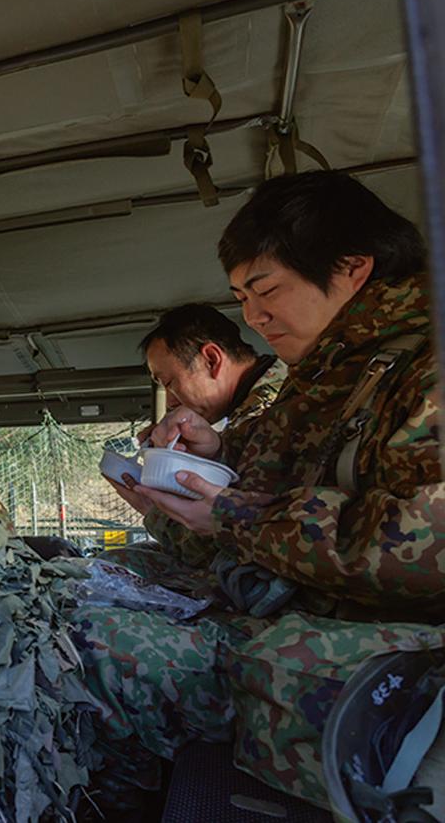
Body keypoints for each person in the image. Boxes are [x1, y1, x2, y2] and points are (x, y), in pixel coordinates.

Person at [77, 171, 445, 809]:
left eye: (265, 289)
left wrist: (232, 513)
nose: (252, 316)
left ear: (354, 269)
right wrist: (218, 452)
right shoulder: (328, 370)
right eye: (241, 296)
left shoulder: (426, 366)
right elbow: (286, 466)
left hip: (376, 645)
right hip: (289, 605)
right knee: (86, 602)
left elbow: (425, 546)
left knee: (99, 652)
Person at [105, 304, 286, 576]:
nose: (170, 401)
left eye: (170, 382)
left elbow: (223, 551)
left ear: (212, 360)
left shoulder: (272, 414)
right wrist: (213, 455)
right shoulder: (260, 410)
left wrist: (154, 510)